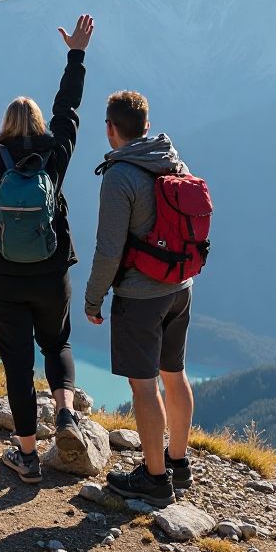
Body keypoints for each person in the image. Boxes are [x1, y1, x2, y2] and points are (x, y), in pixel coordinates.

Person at [0, 14, 94, 484]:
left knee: (17, 363)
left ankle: (28, 456)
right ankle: (66, 413)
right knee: (57, 343)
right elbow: (68, 110)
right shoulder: (55, 155)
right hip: (52, 271)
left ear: (6, 127)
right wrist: (76, 55)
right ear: (39, 125)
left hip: (4, 275)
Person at [85, 91, 196, 507]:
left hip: (140, 294)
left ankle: (155, 478)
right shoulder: (172, 160)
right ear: (146, 127)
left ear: (110, 128)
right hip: (180, 286)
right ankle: (178, 463)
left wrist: (93, 298)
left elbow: (109, 249)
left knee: (144, 386)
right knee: (175, 374)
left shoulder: (120, 176)